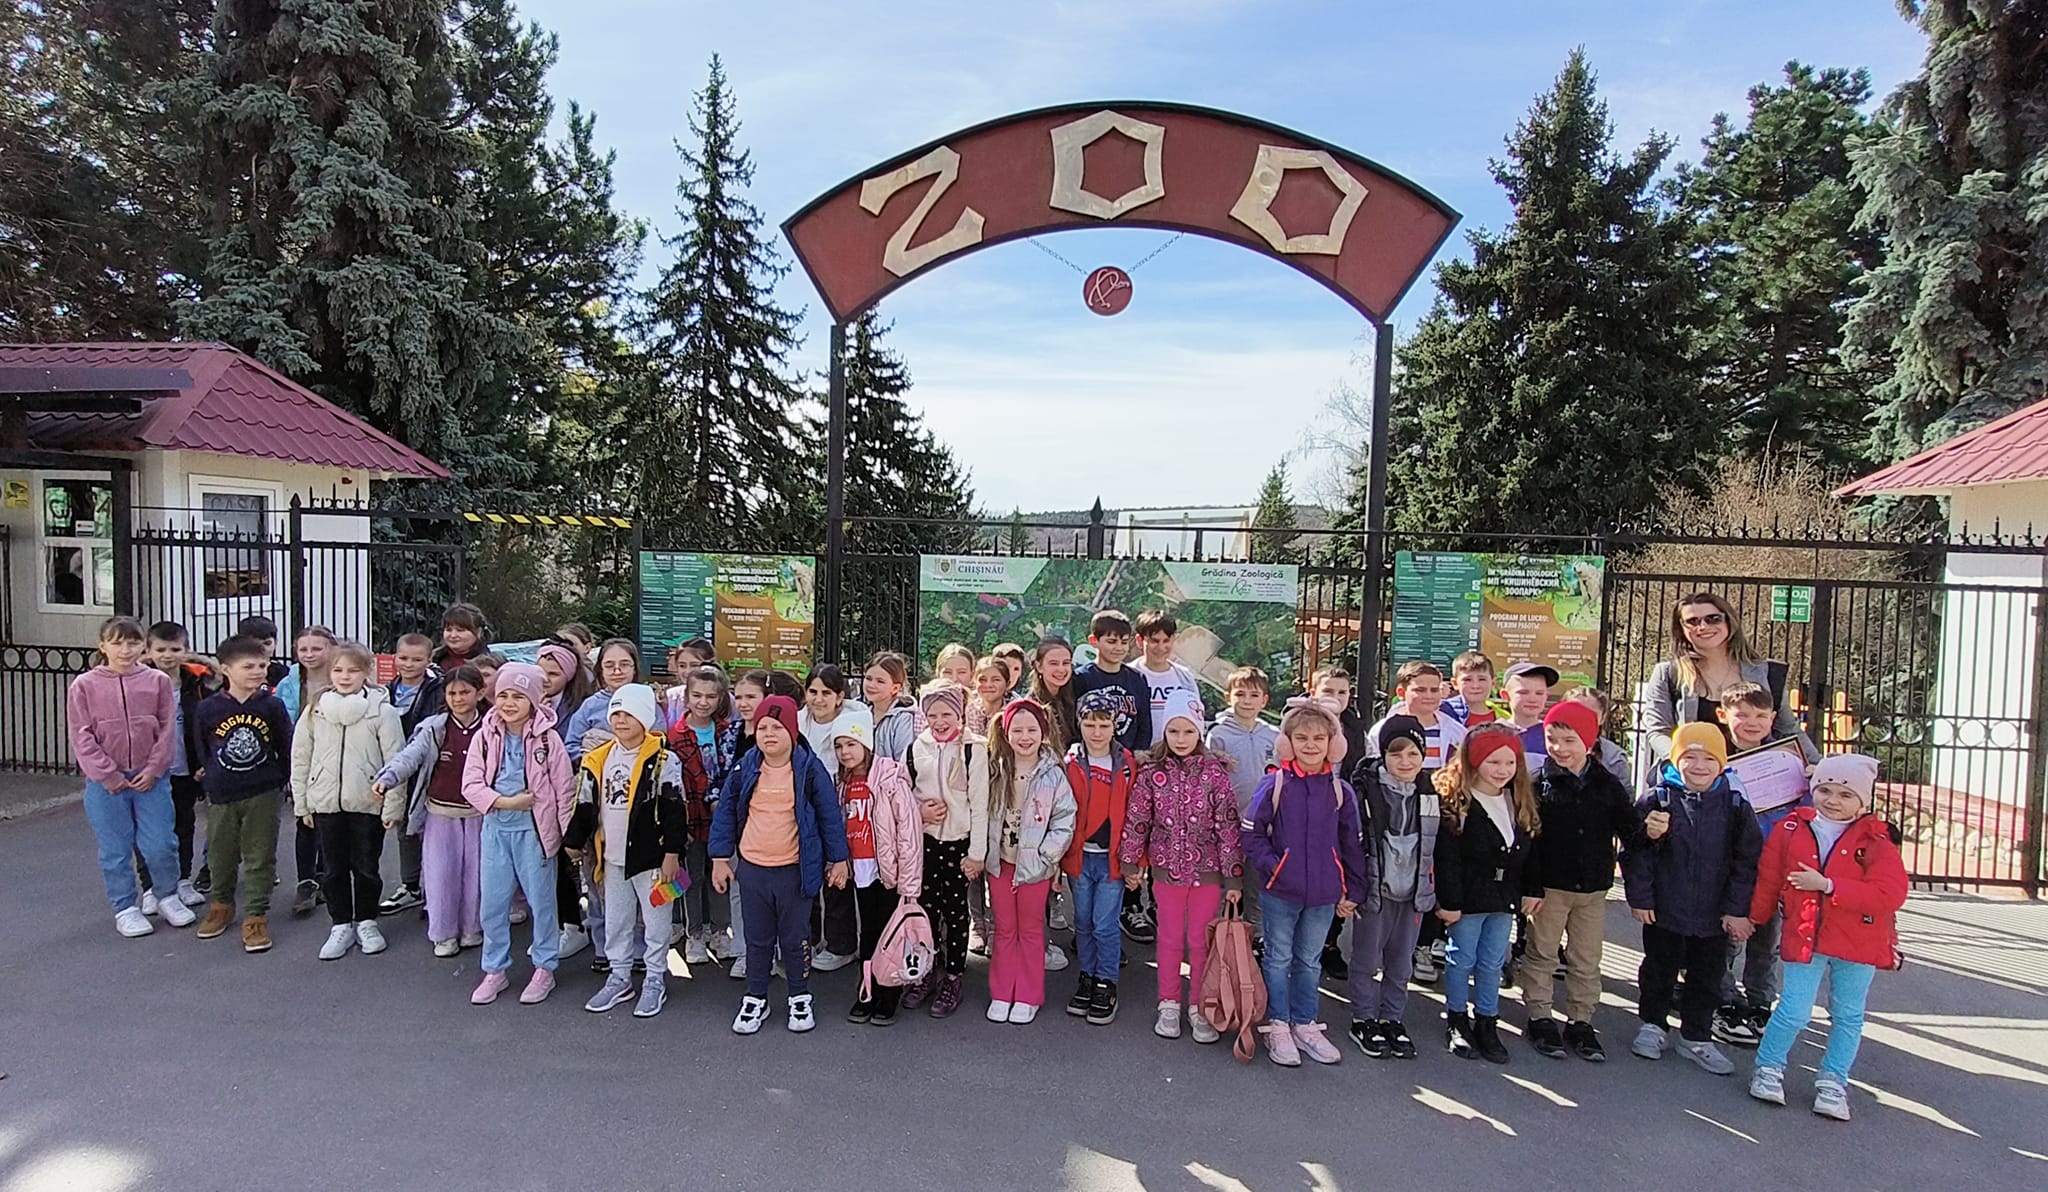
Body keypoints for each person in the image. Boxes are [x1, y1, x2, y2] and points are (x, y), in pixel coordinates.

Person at [1748, 754, 1906, 1121]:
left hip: (1859, 942)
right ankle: (1768, 1067)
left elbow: (1889, 894)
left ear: (1863, 801)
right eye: (1825, 790)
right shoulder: (1792, 827)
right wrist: (1754, 918)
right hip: (1806, 935)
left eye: (1845, 794)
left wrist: (1829, 886)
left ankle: (1834, 1081)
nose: (1833, 800)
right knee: (1794, 1010)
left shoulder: (1878, 839)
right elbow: (1770, 877)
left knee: (1848, 1015)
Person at [1623, 722, 1762, 1076]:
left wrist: (1737, 909)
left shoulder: (1735, 804)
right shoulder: (1658, 799)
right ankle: (1652, 1025)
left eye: (1708, 759)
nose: (1699, 766)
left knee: (1707, 977)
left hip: (1714, 914)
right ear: (1675, 759)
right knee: (1658, 970)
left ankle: (1696, 1037)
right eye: (1689, 757)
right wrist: (1641, 898)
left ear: (1722, 763)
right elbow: (1636, 853)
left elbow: (1746, 861)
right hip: (1665, 908)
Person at [1240, 700, 1373, 1067]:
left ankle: (1305, 1023)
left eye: (1319, 738)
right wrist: (1275, 867)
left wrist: (1354, 890)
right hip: (1280, 892)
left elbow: (1352, 844)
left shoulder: (1340, 791)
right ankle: (1278, 1024)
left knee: (1309, 961)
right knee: (1278, 957)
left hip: (1324, 895)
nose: (1311, 745)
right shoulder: (1275, 784)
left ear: (1333, 743)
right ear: (1288, 742)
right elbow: (1251, 834)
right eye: (1301, 738)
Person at [710, 694, 850, 1035]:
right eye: (762, 728)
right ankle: (756, 996)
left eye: (777, 727)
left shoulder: (809, 769)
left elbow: (830, 815)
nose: (769, 734)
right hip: (753, 870)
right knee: (757, 939)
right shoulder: (745, 767)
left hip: (794, 871)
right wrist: (719, 858)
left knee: (795, 938)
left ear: (792, 731)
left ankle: (799, 995)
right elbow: (726, 811)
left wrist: (838, 859)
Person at [1123, 690, 1243, 1042]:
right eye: (1173, 731)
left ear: (1200, 732)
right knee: (1170, 939)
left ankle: (1200, 1005)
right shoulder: (1151, 772)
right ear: (1164, 731)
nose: (1180, 738)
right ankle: (1169, 1002)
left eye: (1188, 731)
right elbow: (1138, 819)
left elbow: (1228, 826)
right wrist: (1131, 861)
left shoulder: (1215, 773)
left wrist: (1233, 877)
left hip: (1207, 873)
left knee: (1201, 941)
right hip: (1166, 871)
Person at [1520, 700, 1635, 1061]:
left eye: (1569, 740)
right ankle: (1539, 1016)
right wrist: (1531, 887)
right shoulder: (1538, 783)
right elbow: (1528, 840)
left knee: (1585, 957)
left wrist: (1653, 830)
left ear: (1589, 741)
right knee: (1542, 953)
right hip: (1550, 887)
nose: (1559, 748)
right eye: (1552, 739)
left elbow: (1629, 828)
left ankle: (1580, 1020)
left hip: (1593, 887)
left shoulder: (1607, 784)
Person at [68, 616, 196, 936]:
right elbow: (81, 735)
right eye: (117, 643)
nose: (125, 650)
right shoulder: (84, 685)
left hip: (150, 779)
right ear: (102, 646)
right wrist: (107, 774)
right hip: (107, 783)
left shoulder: (157, 681)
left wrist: (154, 769)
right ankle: (125, 907)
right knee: (116, 849)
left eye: (133, 643)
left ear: (143, 646)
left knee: (161, 843)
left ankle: (166, 894)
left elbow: (167, 730)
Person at [567, 683, 687, 1019]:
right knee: (616, 920)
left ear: (645, 718)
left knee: (656, 922)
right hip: (612, 858)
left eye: (629, 714)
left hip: (653, 860)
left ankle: (654, 978)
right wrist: (574, 841)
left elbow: (675, 809)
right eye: (616, 713)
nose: (621, 720)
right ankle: (619, 976)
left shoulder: (663, 760)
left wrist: (672, 854)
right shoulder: (598, 759)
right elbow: (585, 803)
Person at [463, 662, 575, 1006]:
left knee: (542, 903)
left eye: (518, 696)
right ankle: (494, 969)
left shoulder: (548, 739)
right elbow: (470, 785)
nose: (509, 703)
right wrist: (506, 802)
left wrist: (568, 837)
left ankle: (544, 967)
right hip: (496, 831)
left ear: (534, 700)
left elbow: (564, 789)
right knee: (493, 904)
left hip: (535, 833)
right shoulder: (485, 736)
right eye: (503, 695)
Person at [1713, 679, 1816, 1047]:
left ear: (1773, 718)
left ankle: (1760, 1002)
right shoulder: (1714, 757)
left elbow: (1809, 808)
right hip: (1728, 866)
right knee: (1725, 938)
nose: (1752, 723)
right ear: (1723, 716)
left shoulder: (1789, 759)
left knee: (1766, 941)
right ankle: (1724, 1000)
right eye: (1742, 715)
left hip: (1774, 866)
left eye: (1760, 715)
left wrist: (1811, 784)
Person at [290, 641, 406, 961]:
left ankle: (367, 921)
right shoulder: (315, 711)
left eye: (353, 670)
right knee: (333, 869)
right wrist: (303, 803)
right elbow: (301, 758)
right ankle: (340, 924)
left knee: (366, 867)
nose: (345, 676)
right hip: (326, 804)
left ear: (366, 672)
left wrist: (392, 805)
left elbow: (395, 760)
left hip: (367, 803)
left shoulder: (383, 712)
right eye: (338, 670)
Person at [1434, 723, 1539, 1064]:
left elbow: (1530, 852)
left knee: (1493, 962)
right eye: (1494, 762)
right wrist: (1450, 902)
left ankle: (1487, 1021)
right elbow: (1447, 858)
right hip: (1468, 898)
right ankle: (1457, 1019)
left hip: (1503, 898)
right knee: (1461, 958)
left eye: (1510, 763)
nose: (1503, 770)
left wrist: (1531, 890)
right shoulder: (1459, 803)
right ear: (1475, 762)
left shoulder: (1517, 800)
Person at [968, 698, 1076, 1026]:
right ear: (1006, 732)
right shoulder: (996, 768)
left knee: (1030, 930)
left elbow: (1064, 819)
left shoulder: (1053, 773)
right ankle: (1002, 992)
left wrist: (1046, 857)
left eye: (1031, 729)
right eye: (1017, 730)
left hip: (1035, 866)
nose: (1024, 737)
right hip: (1001, 863)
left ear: (1043, 731)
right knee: (1004, 929)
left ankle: (1028, 995)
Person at [373, 664, 488, 957]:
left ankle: (472, 927)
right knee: (441, 875)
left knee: (476, 874)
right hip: (440, 813)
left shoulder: (492, 727)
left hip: (480, 815)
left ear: (480, 693)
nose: (458, 698)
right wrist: (388, 777)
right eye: (452, 693)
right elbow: (410, 756)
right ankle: (443, 934)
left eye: (465, 692)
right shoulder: (434, 728)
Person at [1343, 715, 1437, 1060]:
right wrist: (1351, 889)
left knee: (1401, 963)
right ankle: (1364, 1018)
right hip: (1376, 891)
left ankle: (1392, 1019)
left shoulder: (1430, 791)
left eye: (1413, 754)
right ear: (1383, 755)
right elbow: (1351, 843)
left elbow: (1437, 846)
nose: (1405, 762)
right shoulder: (1366, 790)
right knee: (1366, 959)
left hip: (1413, 893)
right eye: (1396, 754)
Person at [192, 634, 293, 953]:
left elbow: (285, 744)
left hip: (262, 790)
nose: (258, 671)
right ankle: (221, 904)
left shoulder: (271, 705)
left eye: (262, 665)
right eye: (248, 666)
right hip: (222, 792)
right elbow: (201, 746)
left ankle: (256, 915)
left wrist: (282, 780)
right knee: (220, 854)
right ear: (226, 669)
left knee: (260, 855)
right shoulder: (209, 708)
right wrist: (208, 776)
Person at [827, 704, 924, 1026]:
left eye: (851, 744)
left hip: (889, 873)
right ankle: (867, 989)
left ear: (866, 744)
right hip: (861, 870)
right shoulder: (842, 783)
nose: (844, 752)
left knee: (890, 934)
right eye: (839, 746)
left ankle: (889, 992)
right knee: (867, 932)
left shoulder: (890, 778)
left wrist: (909, 884)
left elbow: (908, 833)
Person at [1642, 591, 1816, 769]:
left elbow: (1788, 731)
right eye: (1692, 621)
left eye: (1713, 619)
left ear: (1729, 622)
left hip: (1757, 774)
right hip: (1694, 776)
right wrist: (1681, 763)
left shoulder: (1768, 673)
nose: (1703, 626)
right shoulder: (1667, 673)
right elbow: (1658, 730)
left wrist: (1819, 765)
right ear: (1681, 628)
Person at [900, 683, 981, 1019]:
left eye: (947, 714)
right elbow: (903, 794)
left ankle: (953, 976)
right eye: (932, 715)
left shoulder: (974, 749)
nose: (940, 721)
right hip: (926, 842)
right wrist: (920, 812)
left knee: (956, 912)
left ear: (959, 715)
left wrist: (977, 853)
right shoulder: (916, 747)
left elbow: (981, 804)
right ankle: (927, 971)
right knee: (926, 910)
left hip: (959, 843)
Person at [1062, 689, 1136, 1026]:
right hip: (1080, 857)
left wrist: (1135, 863)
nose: (1096, 731)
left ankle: (1107, 982)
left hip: (1112, 860)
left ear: (1114, 725)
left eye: (1104, 724)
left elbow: (1136, 816)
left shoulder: (1126, 764)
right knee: (1082, 922)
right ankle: (1088, 976)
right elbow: (1061, 812)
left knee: (1105, 925)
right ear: (1080, 723)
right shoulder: (1070, 762)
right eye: (1089, 724)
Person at [143, 620, 216, 907]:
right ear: (149, 651)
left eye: (175, 649)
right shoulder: (139, 682)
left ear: (186, 651)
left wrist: (203, 761)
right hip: (151, 770)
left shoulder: (196, 683)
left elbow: (207, 724)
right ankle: (151, 886)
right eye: (160, 649)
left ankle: (182, 879)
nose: (167, 655)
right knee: (152, 832)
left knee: (184, 825)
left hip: (185, 766)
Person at [800, 663, 867, 973]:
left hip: (840, 810)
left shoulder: (853, 720)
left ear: (840, 696)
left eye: (826, 693)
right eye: (813, 692)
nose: (819, 699)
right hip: (805, 810)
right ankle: (811, 938)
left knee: (838, 879)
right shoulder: (798, 722)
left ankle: (842, 945)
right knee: (808, 877)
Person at [380, 631, 446, 918]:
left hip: (427, 768)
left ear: (428, 660)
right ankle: (410, 885)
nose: (408, 664)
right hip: (396, 766)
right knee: (404, 828)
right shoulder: (385, 691)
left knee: (430, 831)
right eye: (403, 658)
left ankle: (434, 889)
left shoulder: (437, 690)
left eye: (416, 660)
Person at [672, 664, 734, 965]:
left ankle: (720, 931)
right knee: (692, 878)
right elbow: (673, 783)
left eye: (710, 696)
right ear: (687, 697)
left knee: (719, 876)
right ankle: (694, 934)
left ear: (720, 698)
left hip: (720, 819)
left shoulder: (727, 731)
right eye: (697, 695)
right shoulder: (676, 736)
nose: (703, 702)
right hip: (691, 817)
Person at [278, 624, 336, 919]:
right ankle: (306, 880)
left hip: (333, 759)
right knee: (305, 820)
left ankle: (326, 874)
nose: (309, 654)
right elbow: (281, 720)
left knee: (329, 819)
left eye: (316, 648)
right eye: (303, 649)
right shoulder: (290, 683)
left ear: (331, 649)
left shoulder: (342, 676)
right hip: (302, 758)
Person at [1071, 610, 1151, 754]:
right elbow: (1073, 722)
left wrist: (1139, 751)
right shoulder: (1081, 678)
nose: (1119, 648)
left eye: (1124, 642)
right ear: (1094, 641)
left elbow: (1144, 722)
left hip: (1128, 758)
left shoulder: (1137, 678)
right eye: (1111, 642)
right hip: (1091, 758)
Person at [1365, 661, 1466, 774]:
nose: (1429, 696)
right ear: (1401, 693)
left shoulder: (1456, 731)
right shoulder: (1381, 730)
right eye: (1420, 690)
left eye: (1434, 690)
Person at [1132, 610, 1200, 749]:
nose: (1161, 647)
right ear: (1139, 640)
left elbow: (1196, 719)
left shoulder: (1184, 677)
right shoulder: (1129, 675)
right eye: (1154, 641)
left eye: (1166, 641)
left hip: (1175, 754)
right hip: (1139, 755)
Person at [1564, 688, 1634, 788]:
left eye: (1590, 714)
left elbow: (1624, 795)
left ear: (1603, 717)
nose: (1582, 718)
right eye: (1574, 711)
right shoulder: (1548, 748)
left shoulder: (1614, 758)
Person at [1500, 662, 1559, 769]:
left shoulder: (1554, 735)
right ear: (1505, 695)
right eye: (1523, 692)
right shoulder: (1493, 733)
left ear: (1546, 696)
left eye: (1539, 693)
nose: (1532, 699)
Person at [1028, 636, 1079, 755]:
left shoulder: (1076, 695)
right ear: (1039, 666)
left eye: (1066, 663)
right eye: (1053, 663)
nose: (1061, 669)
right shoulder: (1031, 706)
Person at [863, 652, 918, 762]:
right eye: (868, 678)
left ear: (895, 688)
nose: (872, 685)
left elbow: (902, 759)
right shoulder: (862, 713)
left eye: (880, 681)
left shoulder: (902, 718)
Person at [1445, 650, 1499, 727]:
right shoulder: (1444, 713)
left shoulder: (1503, 717)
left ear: (1493, 683)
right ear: (1455, 683)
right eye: (1467, 680)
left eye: (1482, 679)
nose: (1475, 686)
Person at [964, 655, 1009, 740]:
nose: (988, 685)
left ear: (1007, 684)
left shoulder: (1011, 713)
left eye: (996, 680)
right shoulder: (967, 709)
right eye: (982, 680)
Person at [433, 603, 487, 669]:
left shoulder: (488, 663)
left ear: (479, 632)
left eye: (460, 630)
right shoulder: (433, 659)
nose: (453, 635)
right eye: (448, 630)